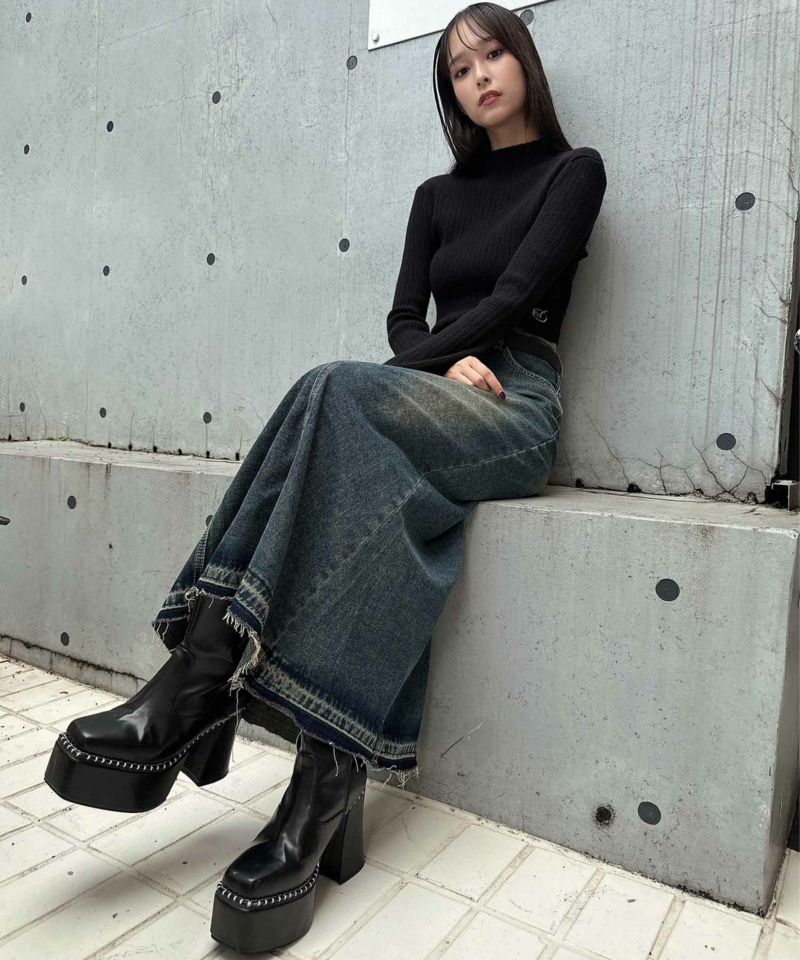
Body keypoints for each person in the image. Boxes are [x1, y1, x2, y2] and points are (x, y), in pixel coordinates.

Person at [43, 3, 607, 952]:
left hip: (514, 404)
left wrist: (433, 363)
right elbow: (403, 318)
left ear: (525, 61)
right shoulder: (436, 195)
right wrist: (433, 364)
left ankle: (202, 673)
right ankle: (325, 779)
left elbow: (516, 298)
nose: (479, 76)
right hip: (437, 389)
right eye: (459, 69)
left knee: (331, 389)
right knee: (379, 487)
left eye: (493, 54)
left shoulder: (573, 172)